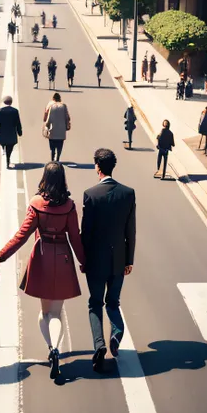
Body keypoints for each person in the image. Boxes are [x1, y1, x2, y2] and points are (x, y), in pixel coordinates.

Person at [0, 163, 85, 380]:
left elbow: (21, 236)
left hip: (43, 257)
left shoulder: (36, 204)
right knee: (57, 312)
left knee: (44, 313)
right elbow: (75, 237)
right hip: (63, 258)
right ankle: (56, 347)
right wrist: (84, 263)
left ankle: (51, 348)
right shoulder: (70, 205)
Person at [81, 148, 136, 372]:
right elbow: (130, 230)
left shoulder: (91, 194)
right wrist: (129, 259)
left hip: (96, 260)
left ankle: (99, 346)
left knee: (95, 303)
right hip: (118, 259)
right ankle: (117, 330)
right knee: (113, 302)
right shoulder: (128, 193)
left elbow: (86, 232)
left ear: (97, 166)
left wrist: (84, 259)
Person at [0, 96, 22, 168]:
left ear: (4, 102)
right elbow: (18, 123)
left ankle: (3, 149)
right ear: (11, 102)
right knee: (10, 147)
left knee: (3, 144)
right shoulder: (15, 111)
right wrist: (19, 132)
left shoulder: (0, 111)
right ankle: (8, 160)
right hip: (11, 133)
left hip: (2, 132)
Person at [43, 92, 71, 163]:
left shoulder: (52, 106)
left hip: (53, 130)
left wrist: (47, 126)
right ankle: (58, 158)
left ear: (53, 98)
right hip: (61, 131)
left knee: (52, 147)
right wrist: (67, 126)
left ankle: (52, 158)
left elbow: (49, 119)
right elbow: (67, 117)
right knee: (60, 146)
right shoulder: (64, 106)